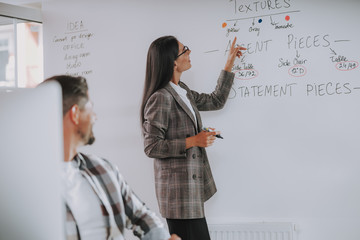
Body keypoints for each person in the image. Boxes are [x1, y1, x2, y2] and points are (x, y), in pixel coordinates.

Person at [42, 75, 180, 240]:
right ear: (75, 114)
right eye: (91, 108)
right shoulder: (30, 186)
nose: (95, 117)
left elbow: (143, 216)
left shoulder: (103, 169)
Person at [140, 36, 245, 240]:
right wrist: (194, 141)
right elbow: (151, 146)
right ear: (172, 61)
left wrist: (230, 62)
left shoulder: (183, 90)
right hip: (178, 197)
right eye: (184, 50)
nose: (189, 53)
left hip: (191, 192)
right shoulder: (160, 97)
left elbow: (216, 101)